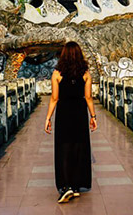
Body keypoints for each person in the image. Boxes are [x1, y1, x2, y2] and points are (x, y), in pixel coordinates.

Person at [44, 41, 98, 203]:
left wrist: (48, 118)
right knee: (78, 146)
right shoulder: (85, 73)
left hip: (64, 111)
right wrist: (93, 117)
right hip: (80, 111)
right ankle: (75, 186)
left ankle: (66, 186)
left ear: (64, 55)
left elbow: (54, 98)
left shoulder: (57, 73)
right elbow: (88, 97)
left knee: (64, 147)